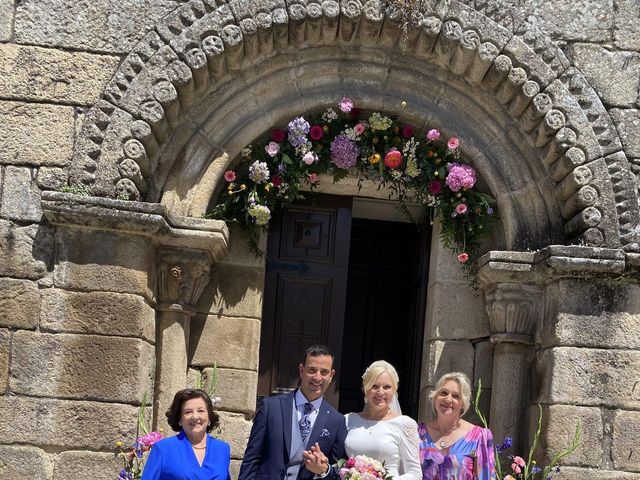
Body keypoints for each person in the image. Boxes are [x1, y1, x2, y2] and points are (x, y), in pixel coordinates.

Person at [238, 345, 347, 480]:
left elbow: (338, 472)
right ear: (301, 370)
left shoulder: (337, 421)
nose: (317, 377)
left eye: (324, 372)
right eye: (312, 370)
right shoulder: (271, 407)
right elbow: (251, 459)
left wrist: (324, 470)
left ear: (331, 376)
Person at [306, 360, 422, 479]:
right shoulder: (347, 420)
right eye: (374, 386)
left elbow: (415, 474)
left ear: (394, 391)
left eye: (387, 387)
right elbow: (336, 461)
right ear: (365, 389)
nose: (380, 392)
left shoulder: (405, 424)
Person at [418, 372, 495, 479]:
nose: (448, 399)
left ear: (463, 403)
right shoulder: (418, 434)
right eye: (444, 393)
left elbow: (485, 477)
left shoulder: (479, 437)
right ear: (435, 397)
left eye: (455, 396)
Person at [141, 389, 231, 480]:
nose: (195, 417)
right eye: (188, 412)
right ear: (180, 418)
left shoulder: (222, 449)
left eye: (201, 411)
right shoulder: (163, 449)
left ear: (209, 417)